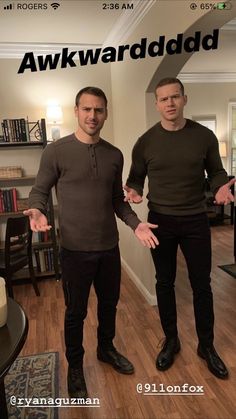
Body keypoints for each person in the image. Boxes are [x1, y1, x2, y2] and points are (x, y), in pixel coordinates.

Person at [24, 86, 158, 399]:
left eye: (99, 110)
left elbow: (117, 200)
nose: (93, 115)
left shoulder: (114, 154)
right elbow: (40, 189)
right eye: (87, 109)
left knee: (110, 305)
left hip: (109, 249)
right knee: (76, 312)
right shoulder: (56, 151)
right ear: (76, 111)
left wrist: (136, 224)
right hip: (74, 252)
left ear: (105, 113)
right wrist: (36, 209)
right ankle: (74, 367)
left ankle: (106, 349)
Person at [125, 77, 235, 379]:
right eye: (163, 99)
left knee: (202, 285)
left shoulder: (204, 136)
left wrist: (220, 188)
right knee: (165, 283)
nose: (170, 103)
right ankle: (171, 341)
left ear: (184, 99)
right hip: (161, 221)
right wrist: (133, 191)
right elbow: (135, 177)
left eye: (175, 97)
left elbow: (216, 171)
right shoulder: (146, 141)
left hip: (196, 220)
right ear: (157, 104)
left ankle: (207, 345)